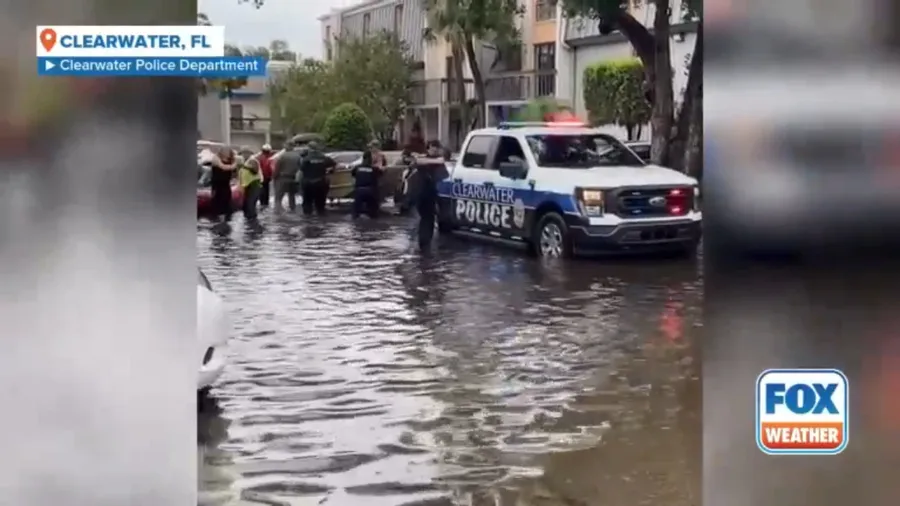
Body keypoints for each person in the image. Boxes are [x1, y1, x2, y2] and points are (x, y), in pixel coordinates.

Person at [413, 140, 446, 249]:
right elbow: (418, 161)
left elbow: (444, 175)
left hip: (432, 195)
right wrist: (438, 161)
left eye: (437, 147)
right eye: (432, 147)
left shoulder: (439, 164)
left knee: (429, 219)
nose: (435, 149)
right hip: (422, 194)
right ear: (428, 148)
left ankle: (425, 243)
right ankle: (423, 244)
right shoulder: (425, 160)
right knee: (426, 218)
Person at [298, 140, 336, 215]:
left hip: (308, 183)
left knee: (307, 205)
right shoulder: (323, 157)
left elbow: (301, 169)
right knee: (320, 205)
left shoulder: (306, 158)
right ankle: (321, 221)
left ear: (309, 148)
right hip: (321, 182)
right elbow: (333, 164)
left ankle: (309, 221)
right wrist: (330, 171)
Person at [351, 150, 382, 218]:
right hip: (371, 191)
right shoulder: (374, 168)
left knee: (355, 214)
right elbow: (380, 174)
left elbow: (353, 174)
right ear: (370, 159)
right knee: (373, 213)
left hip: (359, 191)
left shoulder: (357, 167)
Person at [210, 146, 237, 223]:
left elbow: (234, 171)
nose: (227, 153)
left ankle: (226, 218)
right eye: (225, 151)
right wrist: (233, 165)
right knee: (217, 199)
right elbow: (223, 167)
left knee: (227, 198)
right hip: (217, 183)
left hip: (226, 183)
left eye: (228, 152)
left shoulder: (231, 159)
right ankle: (216, 217)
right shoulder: (216, 158)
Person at [272, 141, 301, 212]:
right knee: (292, 196)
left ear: (288, 146)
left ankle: (278, 213)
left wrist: (274, 177)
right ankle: (293, 210)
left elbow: (277, 168)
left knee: (278, 198)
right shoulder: (298, 156)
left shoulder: (282, 156)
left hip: (282, 178)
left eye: (285, 145)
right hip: (293, 178)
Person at [237, 147, 262, 221]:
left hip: (254, 185)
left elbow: (255, 170)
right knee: (246, 205)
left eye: (246, 153)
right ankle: (248, 220)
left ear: (250, 153)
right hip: (247, 186)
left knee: (250, 205)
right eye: (243, 153)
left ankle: (253, 221)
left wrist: (245, 167)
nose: (245, 154)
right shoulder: (244, 162)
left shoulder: (253, 160)